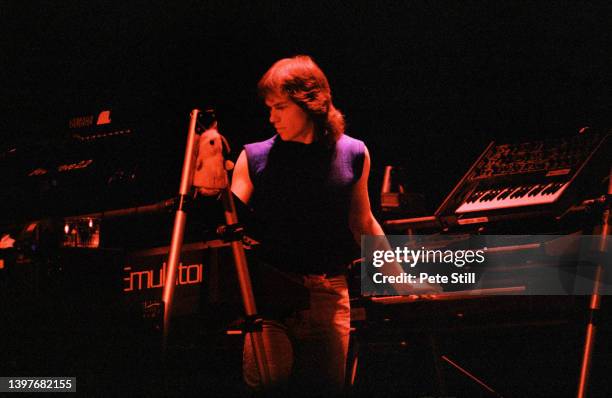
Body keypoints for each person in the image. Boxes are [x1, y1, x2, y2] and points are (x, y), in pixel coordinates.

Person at [231, 55, 398, 395]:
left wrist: (399, 277)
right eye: (270, 107)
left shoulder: (353, 153)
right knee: (268, 384)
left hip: (328, 293)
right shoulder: (255, 157)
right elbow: (228, 222)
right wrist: (208, 189)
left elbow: (362, 220)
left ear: (311, 102)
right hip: (271, 298)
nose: (271, 117)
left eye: (280, 107)